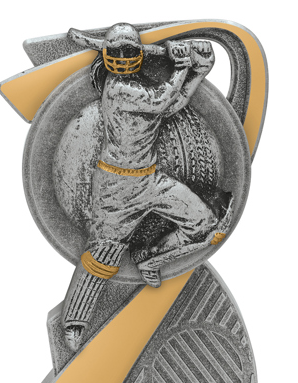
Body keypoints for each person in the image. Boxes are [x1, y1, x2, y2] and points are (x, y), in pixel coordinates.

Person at [63, 22, 220, 349]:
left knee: (204, 224)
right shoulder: (117, 88)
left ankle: (151, 257)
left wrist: (199, 71)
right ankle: (74, 324)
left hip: (150, 180)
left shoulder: (137, 88)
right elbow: (161, 100)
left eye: (128, 53)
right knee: (103, 257)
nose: (122, 60)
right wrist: (182, 65)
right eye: (116, 54)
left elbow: (172, 105)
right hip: (116, 187)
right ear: (106, 58)